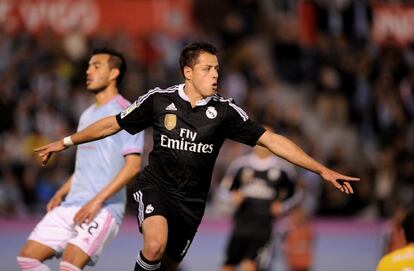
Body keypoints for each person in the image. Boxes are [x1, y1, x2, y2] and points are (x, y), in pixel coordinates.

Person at [34, 42, 359, 271]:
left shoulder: (225, 111)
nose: (215, 75)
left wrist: (321, 170)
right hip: (157, 189)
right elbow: (112, 124)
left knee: (167, 265)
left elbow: (271, 140)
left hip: (191, 204)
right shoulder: (158, 101)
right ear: (188, 72)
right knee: (154, 246)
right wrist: (65, 141)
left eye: (217, 69)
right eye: (207, 69)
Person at [17, 48, 145, 271]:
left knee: (69, 265)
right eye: (88, 66)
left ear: (114, 73)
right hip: (72, 203)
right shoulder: (87, 115)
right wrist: (62, 192)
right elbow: (85, 165)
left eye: (96, 66)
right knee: (27, 259)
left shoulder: (128, 113)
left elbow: (133, 167)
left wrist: (97, 201)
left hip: (103, 207)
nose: (88, 71)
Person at [220, 129, 303, 271]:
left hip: (264, 228)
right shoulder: (240, 164)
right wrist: (232, 197)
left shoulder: (283, 168)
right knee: (227, 266)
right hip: (241, 226)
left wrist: (282, 206)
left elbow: (297, 194)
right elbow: (222, 190)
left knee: (250, 266)